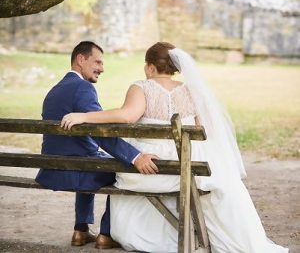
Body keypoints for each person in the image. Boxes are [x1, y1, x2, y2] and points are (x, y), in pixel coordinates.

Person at [61, 42, 288, 253]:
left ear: (150, 67)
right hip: (189, 169)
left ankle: (111, 234)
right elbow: (203, 130)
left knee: (122, 173)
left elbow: (127, 115)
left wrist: (84, 116)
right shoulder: (191, 90)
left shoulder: (142, 87)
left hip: (152, 169)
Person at [35, 41, 159, 250]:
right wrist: (136, 157)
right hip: (76, 170)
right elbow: (102, 134)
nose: (102, 68)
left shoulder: (55, 89)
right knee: (123, 171)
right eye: (98, 62)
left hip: (51, 169)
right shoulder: (83, 88)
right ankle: (106, 234)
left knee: (95, 161)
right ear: (81, 59)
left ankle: (81, 230)